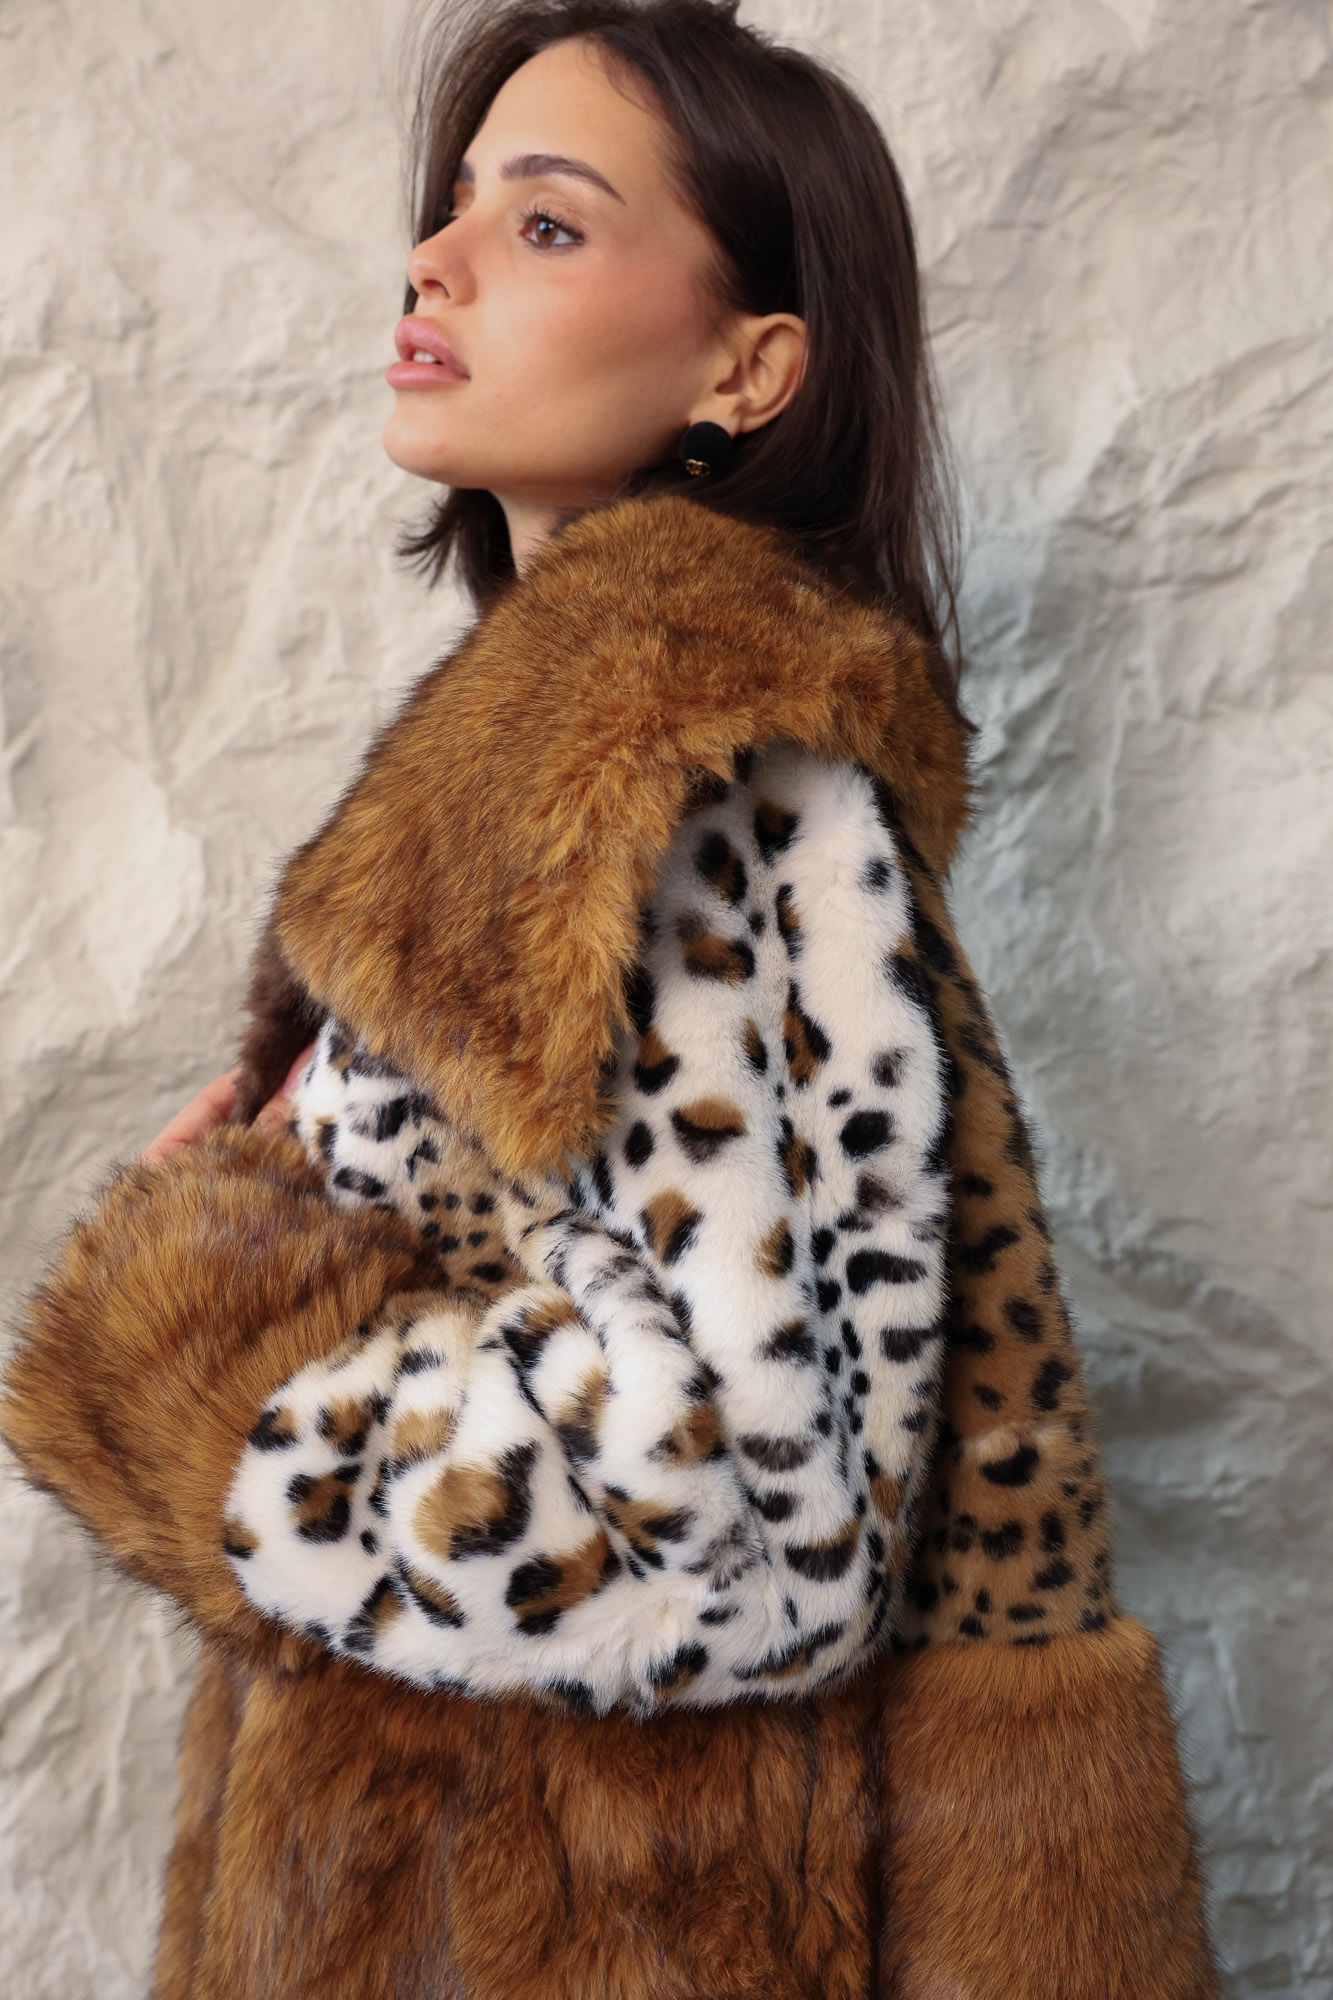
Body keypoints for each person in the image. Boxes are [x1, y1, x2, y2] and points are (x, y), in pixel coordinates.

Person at [1, 2, 1221, 1994]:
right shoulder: (584, 773)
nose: (436, 258)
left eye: (547, 224)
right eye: (452, 206)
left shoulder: (685, 787)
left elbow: (740, 1529)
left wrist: (197, 1371)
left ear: (746, 367)